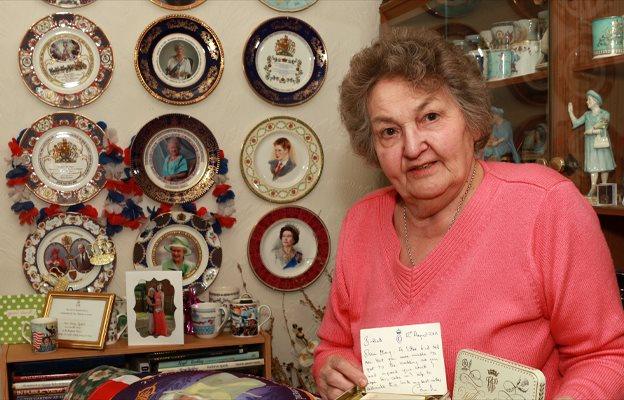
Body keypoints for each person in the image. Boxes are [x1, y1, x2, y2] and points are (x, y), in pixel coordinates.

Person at [313, 28, 624, 400]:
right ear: (373, 147)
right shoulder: (361, 221)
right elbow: (334, 347)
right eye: (390, 131)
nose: (413, 147)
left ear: (472, 121)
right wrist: (330, 371)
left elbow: (605, 357)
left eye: (430, 116)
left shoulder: (546, 206)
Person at [567, 90, 616, 198]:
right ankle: (593, 186)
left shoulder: (605, 114)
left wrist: (591, 131)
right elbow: (576, 122)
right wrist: (570, 112)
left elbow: (603, 125)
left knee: (604, 164)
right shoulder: (587, 114)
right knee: (593, 165)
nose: (587, 102)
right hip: (590, 145)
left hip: (601, 142)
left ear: (595, 101)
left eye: (589, 100)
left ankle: (604, 186)